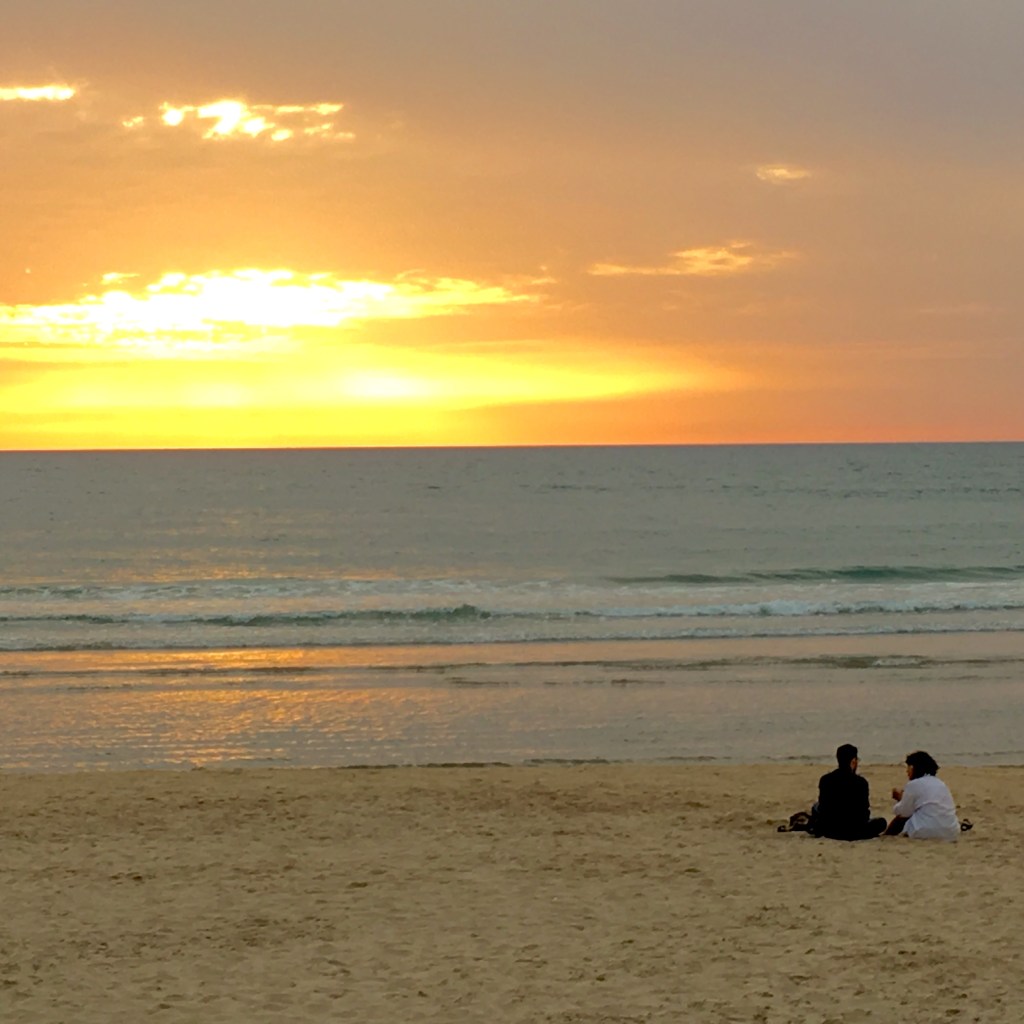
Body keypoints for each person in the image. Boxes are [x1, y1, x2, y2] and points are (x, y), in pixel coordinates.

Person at [813, 743, 887, 841]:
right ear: (853, 761)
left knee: (815, 807)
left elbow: (823, 807)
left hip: (830, 829)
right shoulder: (861, 782)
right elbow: (864, 810)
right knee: (881, 822)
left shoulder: (826, 779)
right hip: (856, 829)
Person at [884, 750, 960, 840]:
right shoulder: (940, 783)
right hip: (951, 831)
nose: (906, 771)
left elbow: (903, 812)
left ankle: (886, 836)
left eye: (908, 768)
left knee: (902, 818)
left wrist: (900, 799)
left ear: (912, 768)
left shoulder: (914, 784)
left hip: (925, 830)